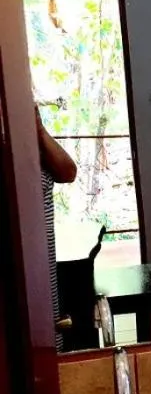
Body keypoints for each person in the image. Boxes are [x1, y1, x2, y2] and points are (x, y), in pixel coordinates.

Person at [36, 106, 76, 347]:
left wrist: (38, 129)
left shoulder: (28, 138)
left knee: (48, 350)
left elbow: (68, 171)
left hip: (43, 267)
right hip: (18, 271)